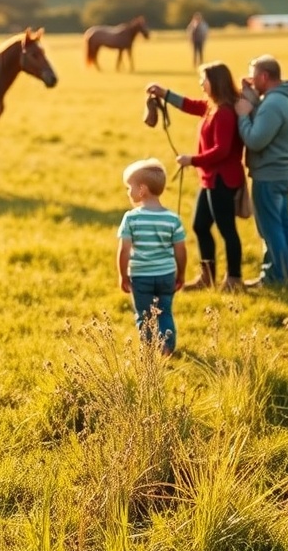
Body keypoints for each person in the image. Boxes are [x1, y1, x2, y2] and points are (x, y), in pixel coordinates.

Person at [146, 61, 246, 292]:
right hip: (210, 179)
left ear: (216, 82)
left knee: (226, 230)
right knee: (200, 226)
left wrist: (192, 160)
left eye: (204, 80)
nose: (201, 83)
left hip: (223, 179)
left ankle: (234, 279)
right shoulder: (212, 107)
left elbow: (222, 150)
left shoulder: (224, 113)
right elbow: (190, 105)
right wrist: (164, 93)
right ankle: (207, 276)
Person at [234, 54, 288, 287]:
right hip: (287, 171)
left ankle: (275, 277)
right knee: (283, 225)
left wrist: (243, 115)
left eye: (254, 76)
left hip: (269, 175)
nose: (251, 81)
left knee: (269, 228)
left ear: (264, 76)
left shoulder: (272, 104)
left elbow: (255, 140)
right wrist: (254, 100)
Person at [117, 157, 187, 355]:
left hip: (140, 276)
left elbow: (124, 250)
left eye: (129, 187)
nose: (128, 192)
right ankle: (166, 348)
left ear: (142, 189)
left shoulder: (131, 218)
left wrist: (123, 275)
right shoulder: (173, 219)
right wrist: (180, 274)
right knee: (165, 311)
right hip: (166, 275)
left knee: (144, 314)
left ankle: (148, 350)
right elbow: (181, 250)